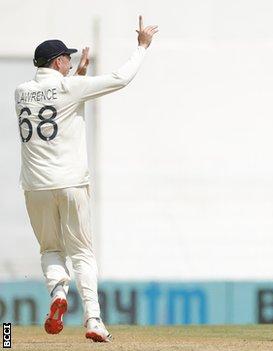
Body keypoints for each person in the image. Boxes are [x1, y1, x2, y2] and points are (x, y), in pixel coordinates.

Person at [14, 16, 158, 342]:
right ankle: (93, 319)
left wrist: (78, 75)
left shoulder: (21, 92)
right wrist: (141, 46)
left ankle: (57, 295)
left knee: (51, 249)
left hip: (35, 186)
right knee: (82, 253)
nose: (71, 62)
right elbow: (121, 79)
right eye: (68, 58)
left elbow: (57, 102)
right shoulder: (70, 86)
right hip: (71, 183)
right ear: (58, 61)